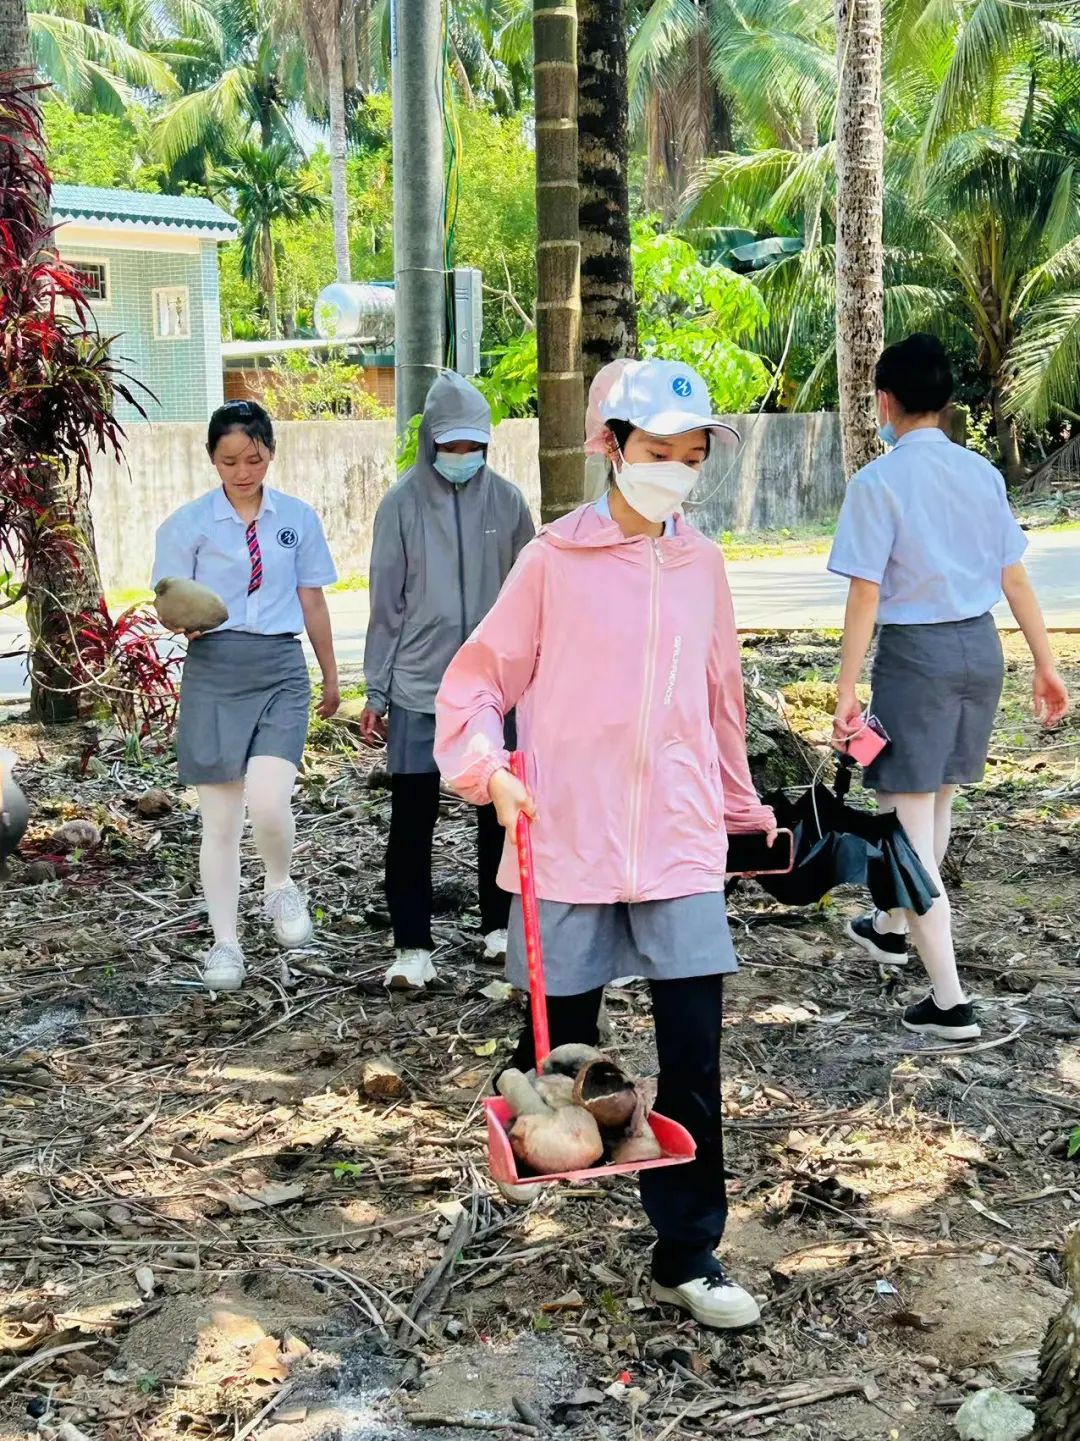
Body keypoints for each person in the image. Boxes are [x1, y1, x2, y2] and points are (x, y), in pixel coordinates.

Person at [434, 358, 777, 1330]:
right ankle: (508, 1177)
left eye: (692, 454)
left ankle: (687, 1251)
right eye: (657, 449)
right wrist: (488, 772)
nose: (675, 470)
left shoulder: (703, 566)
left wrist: (740, 810)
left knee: (694, 1055)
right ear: (612, 447)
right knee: (553, 1047)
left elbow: (720, 700)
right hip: (568, 836)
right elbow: (475, 683)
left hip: (676, 840)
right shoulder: (553, 559)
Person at [829, 334, 1069, 1040]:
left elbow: (865, 593)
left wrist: (846, 687)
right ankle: (889, 924)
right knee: (934, 802)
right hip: (979, 651)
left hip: (917, 659)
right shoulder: (980, 473)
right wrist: (1046, 664)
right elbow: (1013, 575)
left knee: (907, 829)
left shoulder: (878, 482)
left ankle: (949, 1000)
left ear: (884, 401)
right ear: (947, 400)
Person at [152, 399, 340, 993]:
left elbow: (312, 600)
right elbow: (168, 602)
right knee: (221, 822)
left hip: (280, 666)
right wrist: (181, 621)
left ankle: (280, 884)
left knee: (268, 799)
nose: (242, 471)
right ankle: (225, 942)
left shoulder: (297, 518)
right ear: (212, 458)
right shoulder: (187, 525)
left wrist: (331, 675)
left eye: (253, 458)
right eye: (229, 460)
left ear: (270, 453)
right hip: (215, 668)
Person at [361, 371, 535, 991]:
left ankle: (499, 928)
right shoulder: (400, 505)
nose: (462, 455)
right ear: (430, 439)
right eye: (450, 445)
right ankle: (412, 946)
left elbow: (530, 599)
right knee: (412, 818)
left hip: (493, 692)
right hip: (418, 689)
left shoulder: (509, 504)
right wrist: (376, 688)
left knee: (498, 813)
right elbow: (386, 605)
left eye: (472, 445)